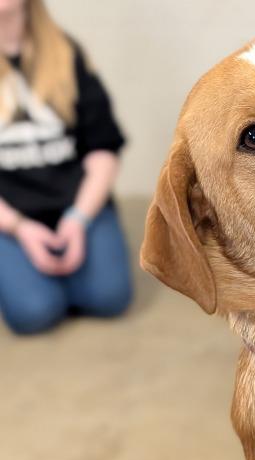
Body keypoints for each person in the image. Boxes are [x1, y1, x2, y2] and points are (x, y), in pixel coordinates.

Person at [0, 0, 131, 336]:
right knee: (35, 313)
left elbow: (103, 149)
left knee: (109, 298)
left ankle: (62, 272)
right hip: (9, 218)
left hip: (79, 206)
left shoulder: (66, 53)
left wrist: (77, 220)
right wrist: (20, 228)